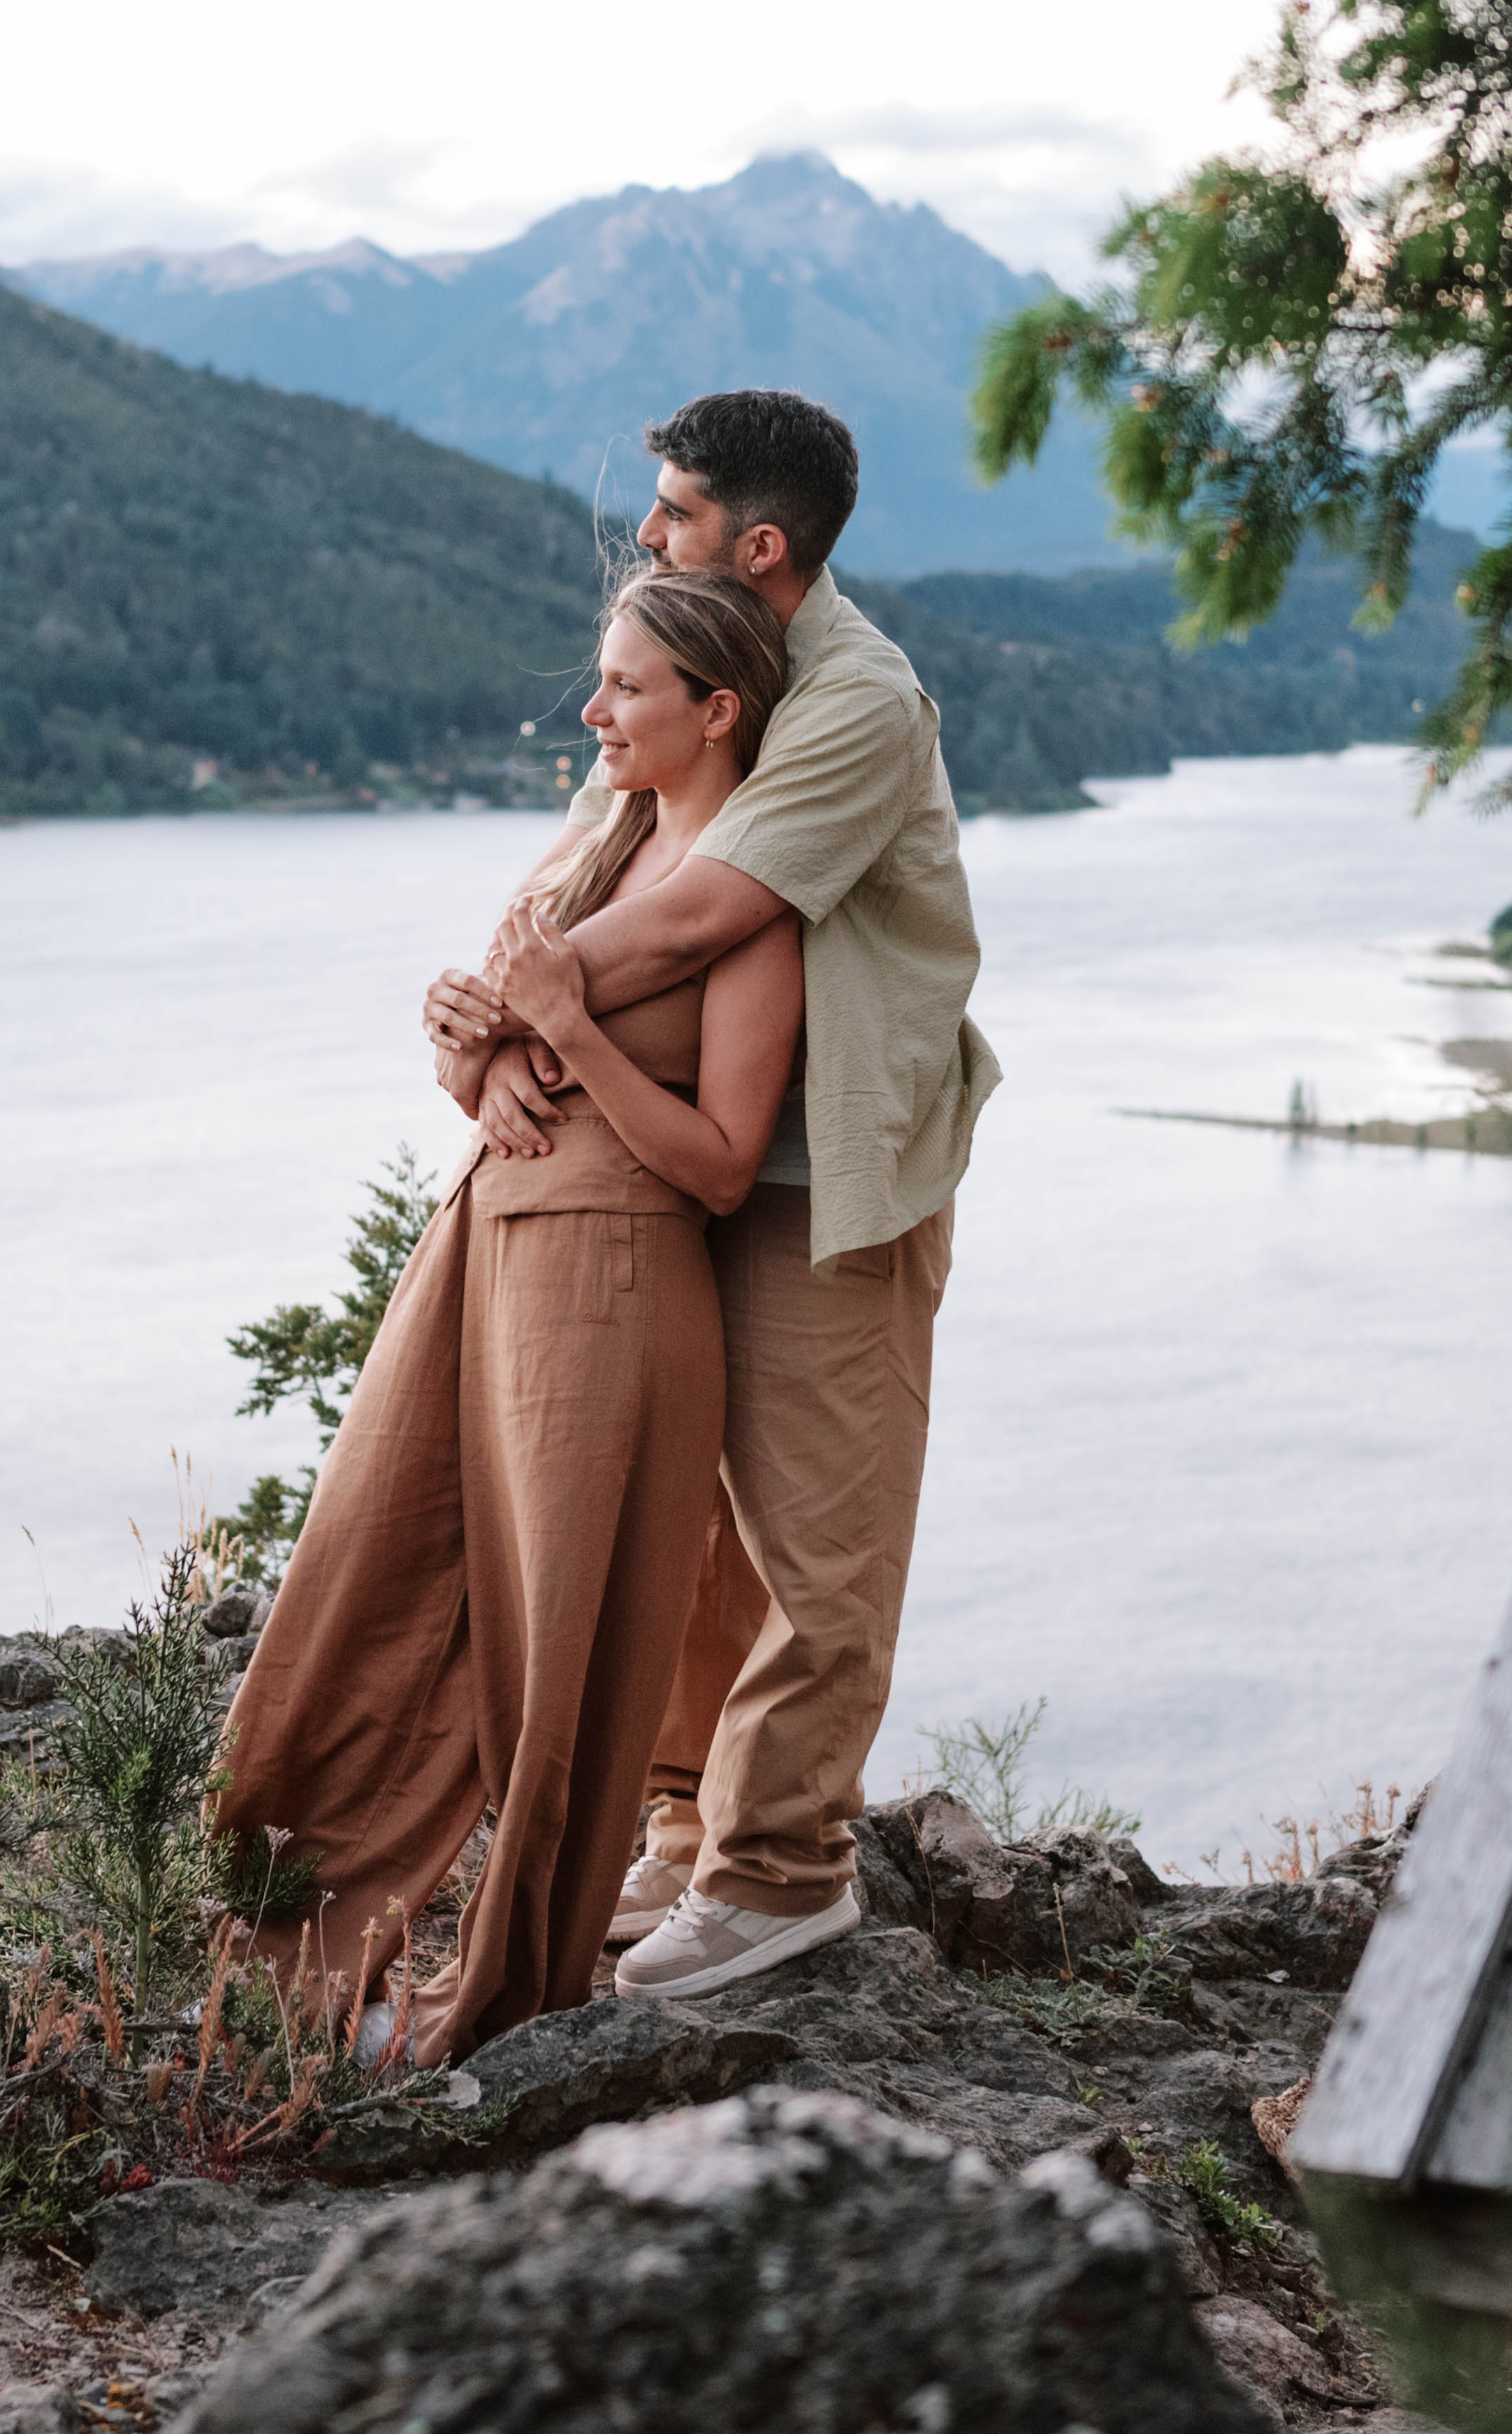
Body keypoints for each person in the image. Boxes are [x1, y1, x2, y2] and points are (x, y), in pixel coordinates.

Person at [426, 388, 998, 2004]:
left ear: (760, 545)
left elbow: (696, 922)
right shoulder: (687, 660)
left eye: (669, 512)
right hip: (686, 1153)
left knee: (821, 1542)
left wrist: (516, 1004)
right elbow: (591, 887)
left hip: (835, 1173)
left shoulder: (854, 701)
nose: (644, 535)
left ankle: (781, 1874)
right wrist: (491, 1007)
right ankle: (686, 1825)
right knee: (685, 1523)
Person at [208, 571, 804, 2064]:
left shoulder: (748, 898)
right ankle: (281, 1954)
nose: (592, 711)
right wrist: (470, 1053)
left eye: (626, 689)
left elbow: (723, 1164)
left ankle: (499, 1992)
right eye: (598, 680)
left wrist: (576, 1031)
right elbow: (481, 1033)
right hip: (478, 1247)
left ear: (716, 712)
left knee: (555, 1660)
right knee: (365, 1571)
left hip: (613, 1286)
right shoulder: (594, 844)